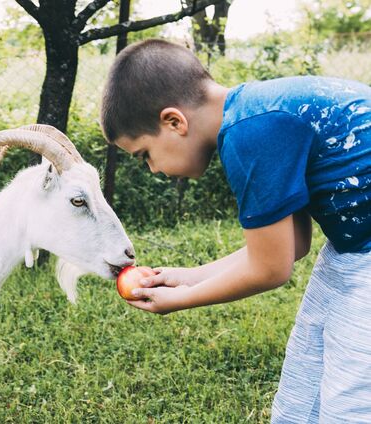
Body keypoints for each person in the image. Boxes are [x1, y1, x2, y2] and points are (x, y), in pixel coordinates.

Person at [100, 38, 371, 423]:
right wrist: (184, 278)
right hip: (353, 248)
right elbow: (290, 245)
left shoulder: (249, 135)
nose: (153, 169)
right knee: (311, 368)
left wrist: (180, 300)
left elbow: (271, 271)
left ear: (174, 121)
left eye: (145, 154)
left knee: (353, 395)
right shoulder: (253, 115)